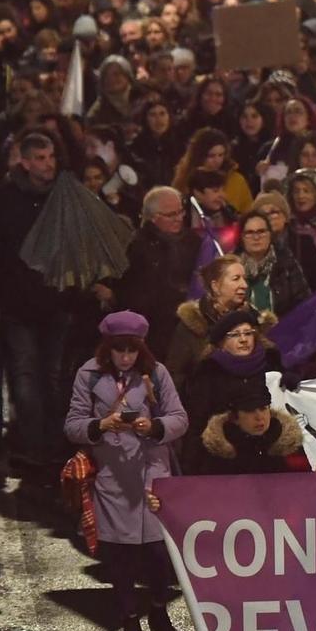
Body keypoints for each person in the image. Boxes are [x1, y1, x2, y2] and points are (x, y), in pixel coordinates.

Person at [62, 311, 189, 631]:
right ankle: (130, 626)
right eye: (119, 350)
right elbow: (72, 425)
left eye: (132, 350)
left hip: (152, 475)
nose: (126, 357)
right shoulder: (88, 376)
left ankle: (160, 610)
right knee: (120, 558)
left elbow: (180, 418)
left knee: (158, 555)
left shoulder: (156, 373)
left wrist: (154, 426)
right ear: (107, 348)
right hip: (113, 479)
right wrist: (101, 424)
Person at [192, 377, 301, 631]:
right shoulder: (214, 455)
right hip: (232, 570)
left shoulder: (288, 449)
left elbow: (309, 498)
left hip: (277, 569)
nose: (259, 417)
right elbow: (192, 502)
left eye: (263, 408)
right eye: (251, 411)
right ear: (234, 416)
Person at [0, 130, 77, 474]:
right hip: (18, 303)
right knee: (26, 374)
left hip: (57, 300)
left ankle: (56, 443)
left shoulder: (64, 193)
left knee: (53, 374)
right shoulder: (7, 198)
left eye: (51, 157)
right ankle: (32, 445)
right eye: (40, 158)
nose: (47, 165)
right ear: (25, 161)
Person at [177, 308, 288, 453]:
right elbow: (198, 422)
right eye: (235, 335)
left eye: (248, 333)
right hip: (225, 456)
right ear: (221, 342)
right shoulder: (208, 372)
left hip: (269, 451)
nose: (243, 339)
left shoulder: (271, 363)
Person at [114, 188, 202, 357]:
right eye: (171, 215)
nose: (179, 218)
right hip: (153, 326)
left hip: (187, 323)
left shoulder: (193, 241)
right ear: (153, 218)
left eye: (180, 212)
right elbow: (129, 291)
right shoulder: (137, 245)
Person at [164, 256, 263, 385]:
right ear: (215, 286)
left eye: (244, 279)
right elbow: (174, 375)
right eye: (236, 279)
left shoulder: (254, 320)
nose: (244, 285)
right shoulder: (193, 323)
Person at [237, 204, 311, 318]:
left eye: (261, 231)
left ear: (270, 235)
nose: (256, 237)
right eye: (250, 233)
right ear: (241, 237)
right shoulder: (232, 267)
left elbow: (303, 303)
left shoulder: (286, 264)